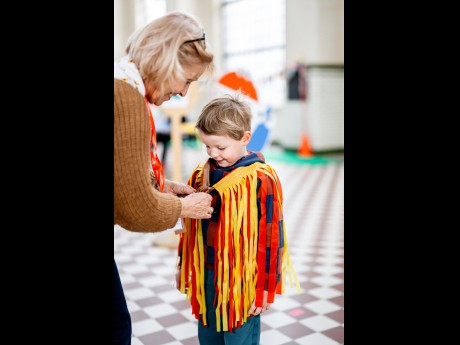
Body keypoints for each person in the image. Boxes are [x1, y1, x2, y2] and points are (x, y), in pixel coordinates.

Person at [114, 11, 215, 345]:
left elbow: (121, 180)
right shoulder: (126, 97)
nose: (184, 93)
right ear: (167, 61)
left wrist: (164, 187)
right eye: (186, 80)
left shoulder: (123, 83)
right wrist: (185, 208)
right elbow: (134, 209)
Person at [176, 94, 300, 345]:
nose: (213, 153)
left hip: (243, 281)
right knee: (208, 336)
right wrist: (182, 263)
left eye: (220, 147)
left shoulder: (261, 178)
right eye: (207, 146)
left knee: (239, 339)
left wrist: (266, 286)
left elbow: (272, 236)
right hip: (207, 274)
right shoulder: (202, 174)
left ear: (245, 138)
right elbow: (189, 226)